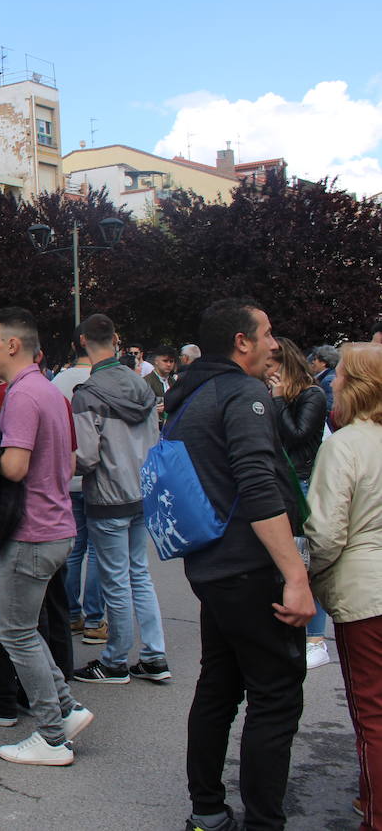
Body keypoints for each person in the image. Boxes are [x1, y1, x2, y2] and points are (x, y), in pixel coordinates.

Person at [170, 298, 313, 831]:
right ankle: (263, 823)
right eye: (268, 332)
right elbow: (258, 486)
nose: (275, 343)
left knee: (218, 689)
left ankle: (206, 809)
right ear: (242, 341)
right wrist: (295, 577)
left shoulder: (193, 391)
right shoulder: (242, 393)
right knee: (275, 699)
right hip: (251, 570)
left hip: (213, 569)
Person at [0, 307, 91, 767]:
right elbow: (68, 462)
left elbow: (16, 466)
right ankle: (66, 708)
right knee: (9, 619)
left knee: (17, 631)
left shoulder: (23, 396)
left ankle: (51, 735)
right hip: (51, 526)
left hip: (32, 532)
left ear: (12, 345)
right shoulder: (46, 390)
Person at [304, 342, 382, 827]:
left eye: (339, 375)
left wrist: (306, 573)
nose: (331, 381)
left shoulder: (345, 444)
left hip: (365, 593)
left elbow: (327, 532)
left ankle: (375, 811)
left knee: (372, 710)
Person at [69, 314, 169, 686]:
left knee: (115, 580)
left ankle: (114, 660)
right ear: (115, 339)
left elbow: (88, 457)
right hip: (142, 492)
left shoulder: (88, 393)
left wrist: (64, 462)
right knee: (138, 574)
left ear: (82, 341)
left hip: (108, 496)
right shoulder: (143, 386)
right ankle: (154, 655)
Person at [267, 337, 329, 669]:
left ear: (284, 364)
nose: (267, 373)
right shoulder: (276, 394)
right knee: (282, 561)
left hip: (301, 484)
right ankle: (291, 633)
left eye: (271, 367)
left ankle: (316, 638)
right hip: (281, 483)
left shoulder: (312, 394)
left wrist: (276, 401)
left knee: (302, 562)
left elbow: (298, 436)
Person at [51, 338, 103, 640]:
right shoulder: (100, 380)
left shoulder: (58, 381)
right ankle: (95, 619)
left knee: (75, 548)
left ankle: (71, 613)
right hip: (95, 474)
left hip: (67, 474)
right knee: (96, 550)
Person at [309, 344, 340, 417]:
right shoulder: (329, 376)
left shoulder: (328, 380)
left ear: (323, 363)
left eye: (315, 359)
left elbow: (329, 407)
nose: (312, 362)